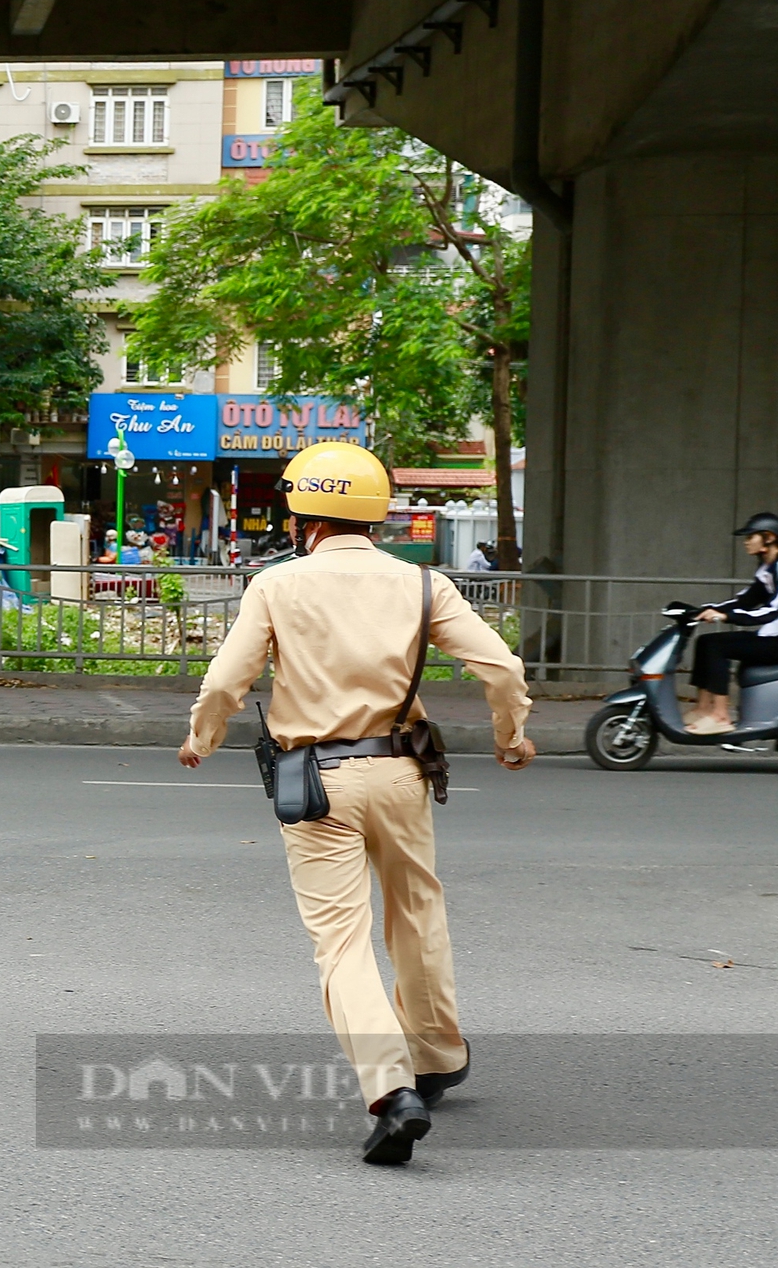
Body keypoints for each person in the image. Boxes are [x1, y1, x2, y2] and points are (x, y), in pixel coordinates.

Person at [175, 441, 537, 1166]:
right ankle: (435, 1054)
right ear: (373, 514)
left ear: (303, 514)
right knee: (417, 913)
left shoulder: (277, 586)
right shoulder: (422, 584)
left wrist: (201, 737)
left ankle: (391, 1090)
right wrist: (513, 734)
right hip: (402, 773)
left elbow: (223, 683)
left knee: (342, 943)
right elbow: (501, 665)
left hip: (317, 783)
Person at [685, 512, 778, 734]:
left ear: (769, 538)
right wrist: (706, 610)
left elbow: (772, 610)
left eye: (750, 537)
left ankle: (720, 716)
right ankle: (703, 708)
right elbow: (743, 601)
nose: (745, 542)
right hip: (775, 636)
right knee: (706, 642)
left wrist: (727, 617)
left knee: (719, 647)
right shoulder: (767, 570)